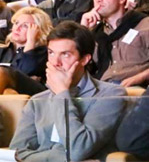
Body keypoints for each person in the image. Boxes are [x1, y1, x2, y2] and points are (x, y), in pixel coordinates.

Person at [9, 21, 127, 161]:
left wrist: (61, 94)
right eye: (51, 53)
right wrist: (62, 157)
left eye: (65, 54)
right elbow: (16, 154)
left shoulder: (111, 95)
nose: (55, 62)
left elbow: (77, 148)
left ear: (84, 59)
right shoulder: (37, 101)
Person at [81, 0, 149, 86]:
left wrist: (138, 78)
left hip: (138, 92)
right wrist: (83, 30)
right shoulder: (94, 32)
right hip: (102, 91)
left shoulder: (144, 25)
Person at [0, 7, 52, 95]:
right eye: (16, 23)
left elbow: (23, 72)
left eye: (25, 26)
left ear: (37, 31)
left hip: (35, 97)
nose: (17, 28)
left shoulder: (43, 52)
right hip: (9, 95)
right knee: (8, 92)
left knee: (0, 72)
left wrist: (30, 42)